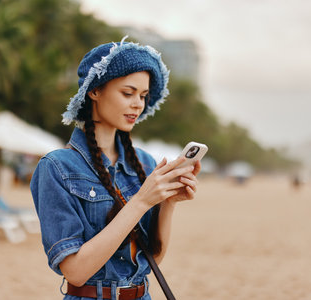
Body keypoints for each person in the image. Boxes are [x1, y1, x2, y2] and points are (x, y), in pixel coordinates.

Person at [30, 37, 201, 300]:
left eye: (143, 96)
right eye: (127, 93)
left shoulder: (144, 163)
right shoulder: (56, 167)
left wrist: (169, 203)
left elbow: (153, 257)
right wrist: (142, 201)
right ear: (95, 91)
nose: (138, 104)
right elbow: (75, 271)